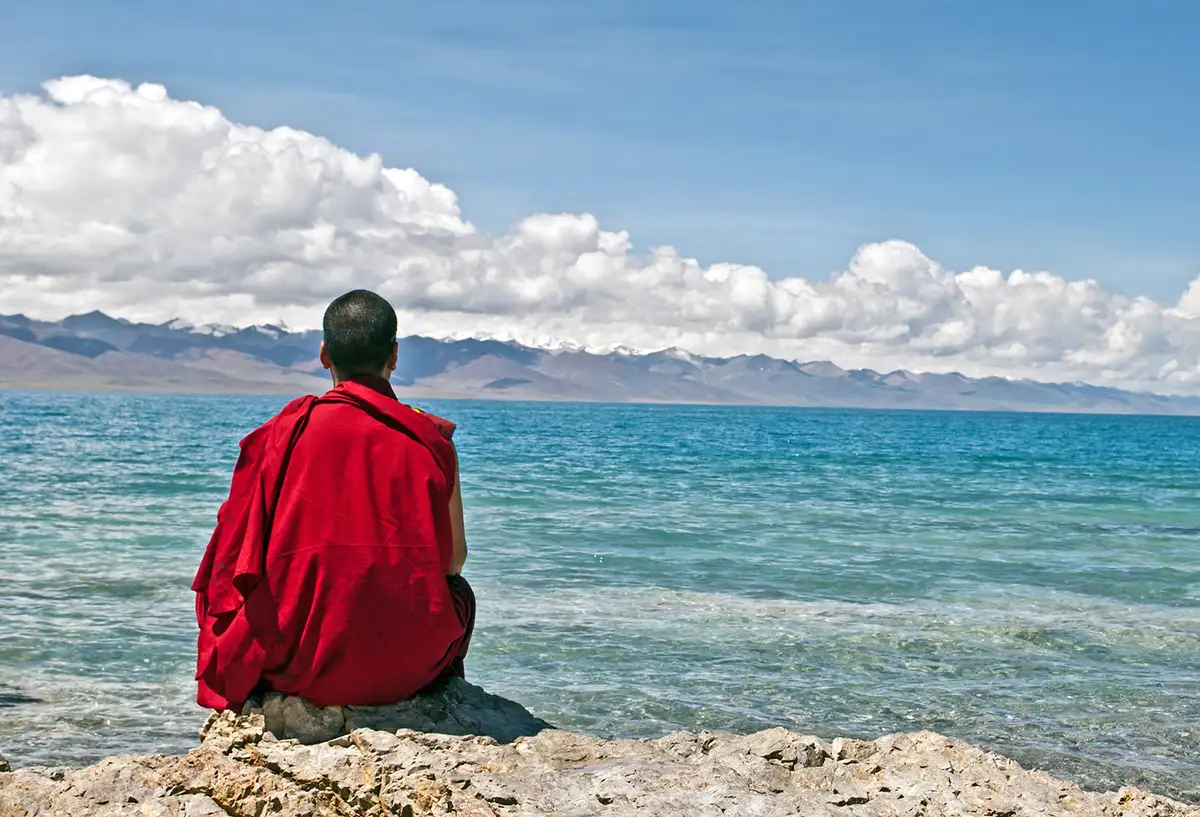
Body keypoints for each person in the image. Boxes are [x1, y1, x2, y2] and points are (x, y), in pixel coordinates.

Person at [191, 290, 474, 712]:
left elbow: (231, 563)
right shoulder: (429, 440)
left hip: (296, 665)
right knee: (459, 595)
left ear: (324, 354)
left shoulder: (280, 434)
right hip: (405, 668)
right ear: (394, 356)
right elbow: (452, 563)